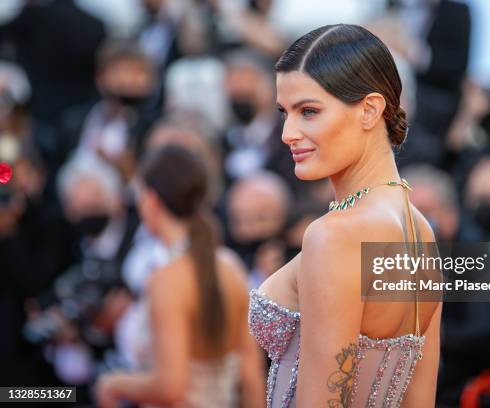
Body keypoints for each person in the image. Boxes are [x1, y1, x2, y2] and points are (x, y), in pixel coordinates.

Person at [247, 24, 441, 407]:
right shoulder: (421, 230)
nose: (288, 132)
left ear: (370, 110)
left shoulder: (334, 235)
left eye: (309, 111)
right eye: (284, 112)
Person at [96, 145, 265, 408]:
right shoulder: (230, 267)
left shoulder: (166, 280)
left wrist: (114, 384)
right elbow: (251, 374)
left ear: (151, 201)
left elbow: (170, 385)